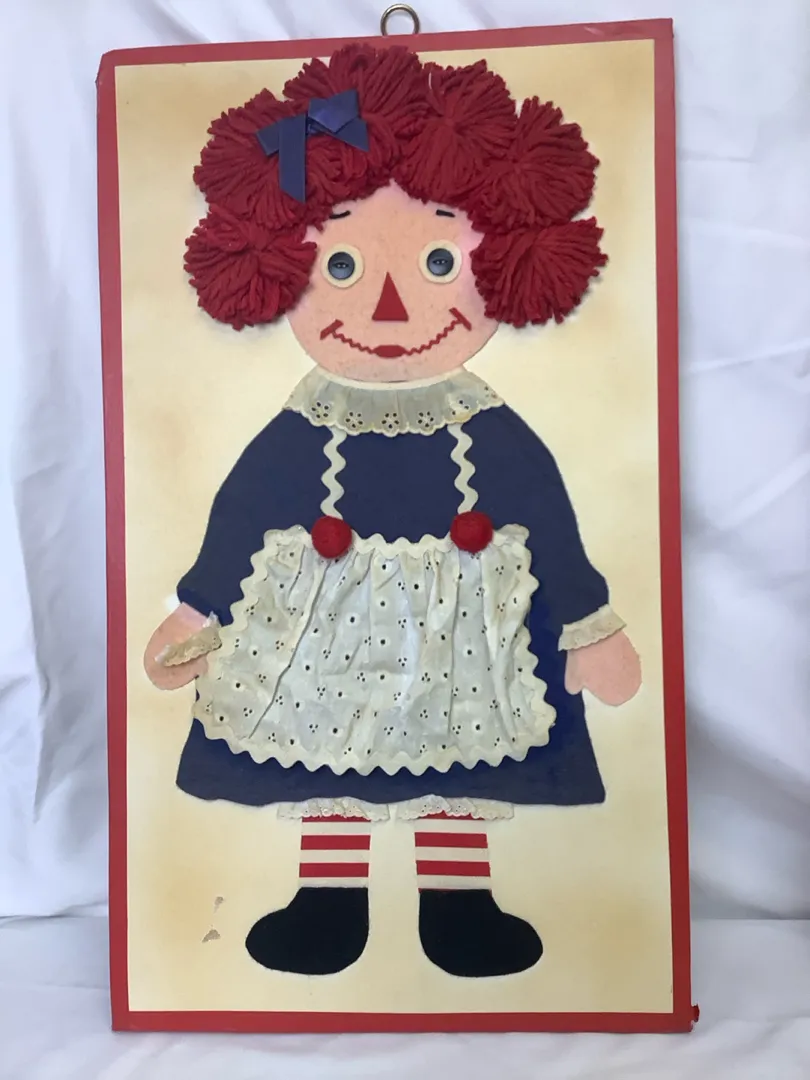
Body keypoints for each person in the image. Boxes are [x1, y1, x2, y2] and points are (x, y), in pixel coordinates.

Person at [144, 43, 641, 979]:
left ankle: (459, 908)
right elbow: (246, 510)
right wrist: (197, 610)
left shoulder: (491, 430)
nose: (384, 301)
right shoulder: (301, 428)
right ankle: (328, 903)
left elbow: (544, 514)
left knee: (458, 761)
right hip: (326, 626)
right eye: (340, 264)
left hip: (461, 628)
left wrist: (587, 623)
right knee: (323, 759)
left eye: (440, 259)